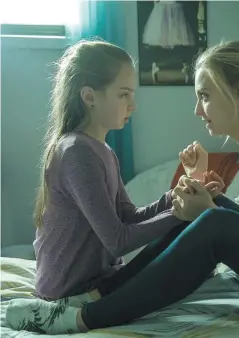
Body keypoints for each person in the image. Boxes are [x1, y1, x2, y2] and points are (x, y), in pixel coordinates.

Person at [6, 40, 239, 334]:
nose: (197, 109)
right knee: (212, 209)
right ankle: (97, 296)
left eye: (205, 96)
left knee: (212, 219)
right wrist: (203, 202)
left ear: (238, 93)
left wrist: (207, 214)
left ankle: (84, 318)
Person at [25, 39, 216, 310]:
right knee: (181, 237)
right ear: (89, 96)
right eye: (124, 94)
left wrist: (175, 196)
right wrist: (180, 213)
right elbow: (117, 241)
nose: (133, 105)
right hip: (69, 292)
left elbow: (129, 217)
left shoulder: (103, 151)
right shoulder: (76, 152)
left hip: (96, 281)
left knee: (182, 237)